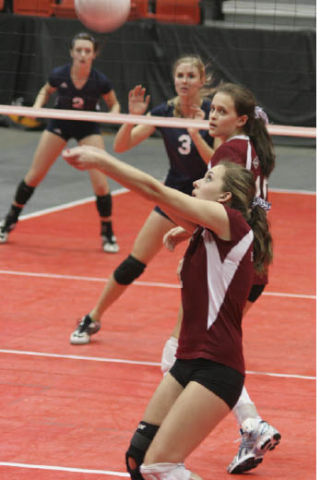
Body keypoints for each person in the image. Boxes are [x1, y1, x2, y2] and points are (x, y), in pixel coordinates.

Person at [62, 142, 273, 480]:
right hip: (187, 362)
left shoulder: (229, 222)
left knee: (160, 465)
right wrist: (187, 231)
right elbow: (160, 202)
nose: (196, 183)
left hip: (217, 367)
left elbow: (154, 189)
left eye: (207, 178)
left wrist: (101, 161)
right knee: (138, 459)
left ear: (224, 198)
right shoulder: (211, 231)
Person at [161, 82, 280, 474]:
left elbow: (213, 208)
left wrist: (193, 235)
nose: (212, 115)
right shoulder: (251, 148)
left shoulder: (230, 152)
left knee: (185, 352)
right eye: (211, 109)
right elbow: (242, 209)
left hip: (231, 264)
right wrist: (191, 233)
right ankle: (250, 424)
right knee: (210, 349)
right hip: (250, 257)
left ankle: (249, 424)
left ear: (241, 119)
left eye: (221, 111)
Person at [68, 55, 215, 344]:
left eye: (190, 76)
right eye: (180, 75)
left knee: (199, 273)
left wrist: (197, 135)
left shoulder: (213, 112)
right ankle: (93, 317)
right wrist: (132, 117)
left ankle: (194, 336)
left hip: (204, 204)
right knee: (135, 261)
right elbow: (121, 146)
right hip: (171, 197)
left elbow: (218, 162)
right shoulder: (164, 111)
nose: (184, 81)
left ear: (201, 80)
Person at [0, 32, 120, 253]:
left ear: (94, 55)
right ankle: (9, 221)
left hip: (88, 127)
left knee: (101, 183)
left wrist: (112, 116)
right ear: (72, 53)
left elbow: (114, 104)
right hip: (59, 125)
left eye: (87, 51)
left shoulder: (100, 80)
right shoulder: (60, 74)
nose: (83, 55)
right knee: (35, 174)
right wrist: (37, 107)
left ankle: (107, 232)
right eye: (79, 50)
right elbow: (46, 90)